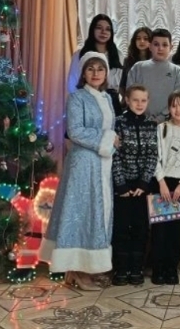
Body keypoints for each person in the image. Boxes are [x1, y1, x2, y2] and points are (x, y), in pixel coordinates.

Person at [40, 52, 117, 291]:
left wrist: (110, 141)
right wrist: (109, 139)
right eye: (90, 68)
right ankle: (76, 269)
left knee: (97, 212)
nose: (96, 73)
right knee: (82, 211)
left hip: (101, 164)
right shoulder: (77, 98)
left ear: (106, 73)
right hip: (83, 163)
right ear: (83, 73)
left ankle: (87, 267)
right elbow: (75, 131)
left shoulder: (107, 98)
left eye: (100, 69)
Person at [150, 90, 180, 285]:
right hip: (161, 182)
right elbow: (155, 157)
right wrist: (161, 182)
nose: (178, 110)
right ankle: (158, 268)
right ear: (169, 108)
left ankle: (171, 268)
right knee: (159, 230)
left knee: (176, 231)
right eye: (174, 106)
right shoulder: (161, 128)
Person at [110, 84, 158, 286]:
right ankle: (121, 268)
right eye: (135, 100)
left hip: (142, 187)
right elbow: (115, 155)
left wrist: (144, 182)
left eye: (143, 100)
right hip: (122, 187)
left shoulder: (151, 124)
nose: (139, 104)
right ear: (127, 101)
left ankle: (136, 268)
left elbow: (153, 155)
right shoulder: (118, 123)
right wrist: (120, 184)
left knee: (140, 228)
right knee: (121, 227)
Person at [67, 14, 124, 114]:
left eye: (108, 29)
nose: (103, 32)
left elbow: (121, 82)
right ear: (92, 30)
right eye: (99, 28)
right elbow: (73, 80)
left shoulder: (118, 55)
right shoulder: (80, 54)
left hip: (111, 101)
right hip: (86, 99)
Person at [126, 28, 180, 123]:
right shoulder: (138, 67)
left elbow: (177, 99)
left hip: (167, 122)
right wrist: (141, 115)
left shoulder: (177, 71)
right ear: (150, 46)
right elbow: (130, 93)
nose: (160, 48)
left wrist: (161, 117)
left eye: (165, 45)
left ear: (171, 47)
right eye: (156, 44)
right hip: (138, 120)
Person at [119, 27, 152, 97]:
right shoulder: (128, 61)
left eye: (145, 39)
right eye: (138, 38)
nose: (141, 41)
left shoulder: (154, 61)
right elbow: (122, 84)